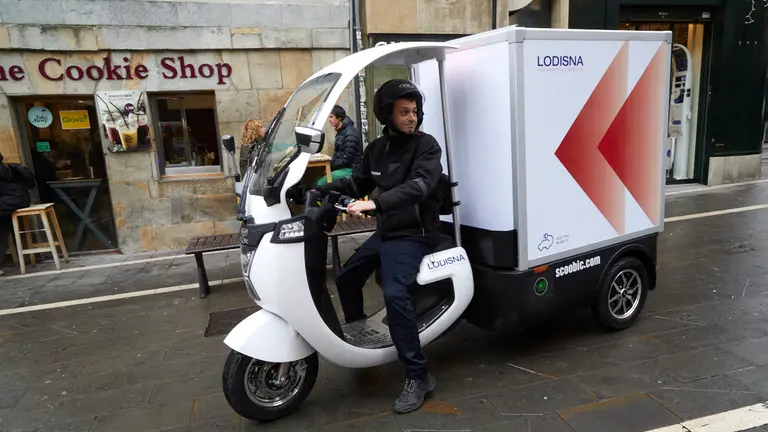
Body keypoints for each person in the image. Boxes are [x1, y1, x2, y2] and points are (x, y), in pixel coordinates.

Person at [315, 79, 444, 413]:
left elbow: (419, 186)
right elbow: (357, 182)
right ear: (387, 115)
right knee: (346, 278)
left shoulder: (427, 147)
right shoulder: (376, 149)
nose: (412, 117)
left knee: (395, 293)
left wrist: (376, 203)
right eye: (404, 112)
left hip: (414, 233)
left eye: (414, 111)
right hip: (387, 231)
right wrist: (316, 189)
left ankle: (418, 375)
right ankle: (361, 339)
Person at [0, 153, 35, 276]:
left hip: (10, 201)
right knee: (4, 227)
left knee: (2, 230)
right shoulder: (9, 167)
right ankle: (26, 256)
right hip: (20, 199)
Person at [315, 105, 362, 186]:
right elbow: (337, 155)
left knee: (321, 182)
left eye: (331, 117)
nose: (329, 120)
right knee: (317, 177)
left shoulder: (350, 133)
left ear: (339, 118)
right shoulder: (341, 131)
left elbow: (346, 159)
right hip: (343, 168)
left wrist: (330, 166)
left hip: (351, 170)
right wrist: (329, 166)